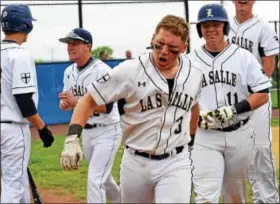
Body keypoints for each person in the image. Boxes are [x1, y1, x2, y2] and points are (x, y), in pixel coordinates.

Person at [60, 15, 203, 203]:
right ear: (152, 38)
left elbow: (194, 107)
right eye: (159, 44)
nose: (163, 52)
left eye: (173, 49)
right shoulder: (130, 70)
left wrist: (191, 141)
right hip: (136, 161)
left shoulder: (194, 73)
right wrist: (72, 138)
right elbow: (88, 100)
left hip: (175, 161)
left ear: (184, 48)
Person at [186, 3, 272, 203]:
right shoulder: (190, 61)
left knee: (235, 197)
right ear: (200, 30)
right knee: (205, 197)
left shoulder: (244, 57)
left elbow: (263, 93)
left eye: (216, 24)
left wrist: (233, 110)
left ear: (224, 27)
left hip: (239, 134)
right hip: (206, 136)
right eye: (206, 25)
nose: (211, 29)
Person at [58, 28, 121, 203]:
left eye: (75, 43)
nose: (70, 47)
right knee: (104, 178)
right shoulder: (68, 72)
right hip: (87, 131)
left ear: (88, 46)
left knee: (95, 179)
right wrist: (65, 103)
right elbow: (68, 99)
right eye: (68, 43)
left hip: (107, 131)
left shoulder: (102, 70)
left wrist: (76, 102)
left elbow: (106, 107)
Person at [0, 4, 54, 203]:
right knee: (12, 187)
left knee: (19, 182)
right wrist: (42, 127)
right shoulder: (19, 54)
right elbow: (24, 102)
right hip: (13, 129)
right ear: (25, 24)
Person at [228, 1, 280, 203]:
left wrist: (256, 89)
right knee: (242, 152)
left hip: (257, 98)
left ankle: (269, 199)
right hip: (233, 100)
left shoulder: (263, 28)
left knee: (260, 148)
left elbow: (269, 64)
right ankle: (258, 197)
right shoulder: (225, 27)